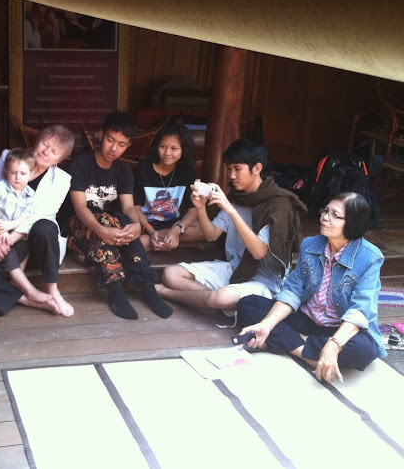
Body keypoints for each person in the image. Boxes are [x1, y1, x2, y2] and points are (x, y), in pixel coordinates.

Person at [236, 193, 386, 382]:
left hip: (338, 327)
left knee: (364, 350)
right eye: (326, 211)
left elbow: (360, 310)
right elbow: (292, 291)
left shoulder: (370, 257)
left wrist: (334, 344)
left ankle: (288, 343)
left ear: (353, 223)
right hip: (306, 319)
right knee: (248, 303)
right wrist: (267, 325)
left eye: (335, 215)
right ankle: (308, 354)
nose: (325, 217)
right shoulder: (310, 245)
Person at [157, 138, 307, 319]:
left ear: (257, 168)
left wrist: (230, 210)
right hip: (236, 269)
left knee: (221, 297)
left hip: (265, 282)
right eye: (229, 169)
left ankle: (166, 293)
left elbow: (259, 252)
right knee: (171, 274)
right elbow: (211, 235)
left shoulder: (278, 204)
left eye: (237, 169)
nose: (232, 175)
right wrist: (200, 207)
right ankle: (210, 301)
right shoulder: (238, 197)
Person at [0, 125, 77, 317]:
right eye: (45, 145)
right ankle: (26, 298)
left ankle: (53, 291)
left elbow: (41, 214)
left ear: (59, 160)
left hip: (31, 245)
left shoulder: (62, 179)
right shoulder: (10, 157)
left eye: (54, 152)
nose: (46, 152)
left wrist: (9, 239)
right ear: (36, 142)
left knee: (45, 226)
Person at [65, 111, 174, 320]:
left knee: (121, 222)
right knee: (107, 219)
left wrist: (136, 225)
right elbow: (79, 208)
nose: (114, 148)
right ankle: (120, 290)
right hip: (78, 231)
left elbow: (129, 207)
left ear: (128, 145)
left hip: (110, 233)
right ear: (101, 135)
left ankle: (144, 287)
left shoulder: (124, 171)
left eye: (121, 144)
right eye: (110, 140)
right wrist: (102, 230)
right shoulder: (80, 163)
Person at [0, 148, 50, 306]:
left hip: (8, 228)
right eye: (13, 173)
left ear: (31, 175)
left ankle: (15, 279)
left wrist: (9, 226)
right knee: (6, 248)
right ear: (6, 172)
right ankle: (29, 289)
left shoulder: (30, 194)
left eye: (23, 173)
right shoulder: (0, 188)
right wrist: (0, 227)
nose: (18, 177)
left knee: (25, 243)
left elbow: (25, 217)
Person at [133, 122, 200, 252]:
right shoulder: (143, 170)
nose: (167, 153)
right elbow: (135, 209)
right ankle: (175, 244)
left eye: (174, 149)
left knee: (203, 229)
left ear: (184, 150)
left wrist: (177, 229)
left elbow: (194, 211)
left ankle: (161, 242)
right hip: (146, 226)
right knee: (140, 242)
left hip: (174, 225)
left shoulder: (188, 173)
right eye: (163, 147)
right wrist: (150, 231)